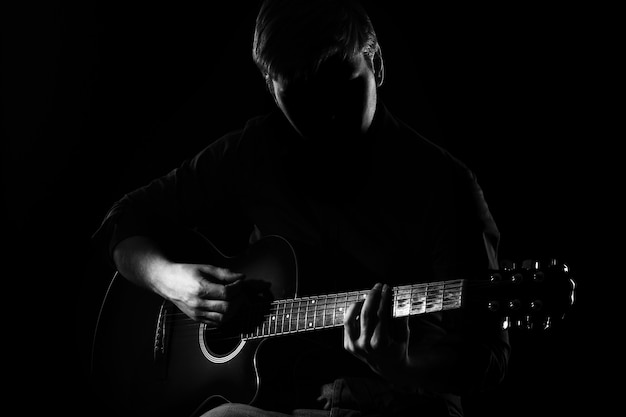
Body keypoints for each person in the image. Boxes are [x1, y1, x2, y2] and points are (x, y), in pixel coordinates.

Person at [92, 0, 510, 416]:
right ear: (271, 89)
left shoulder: (445, 186)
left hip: (390, 402)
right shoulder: (254, 151)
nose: (325, 113)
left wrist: (402, 365)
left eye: (341, 84)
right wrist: (174, 283)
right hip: (276, 396)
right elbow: (125, 222)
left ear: (376, 64)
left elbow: (486, 359)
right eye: (298, 96)